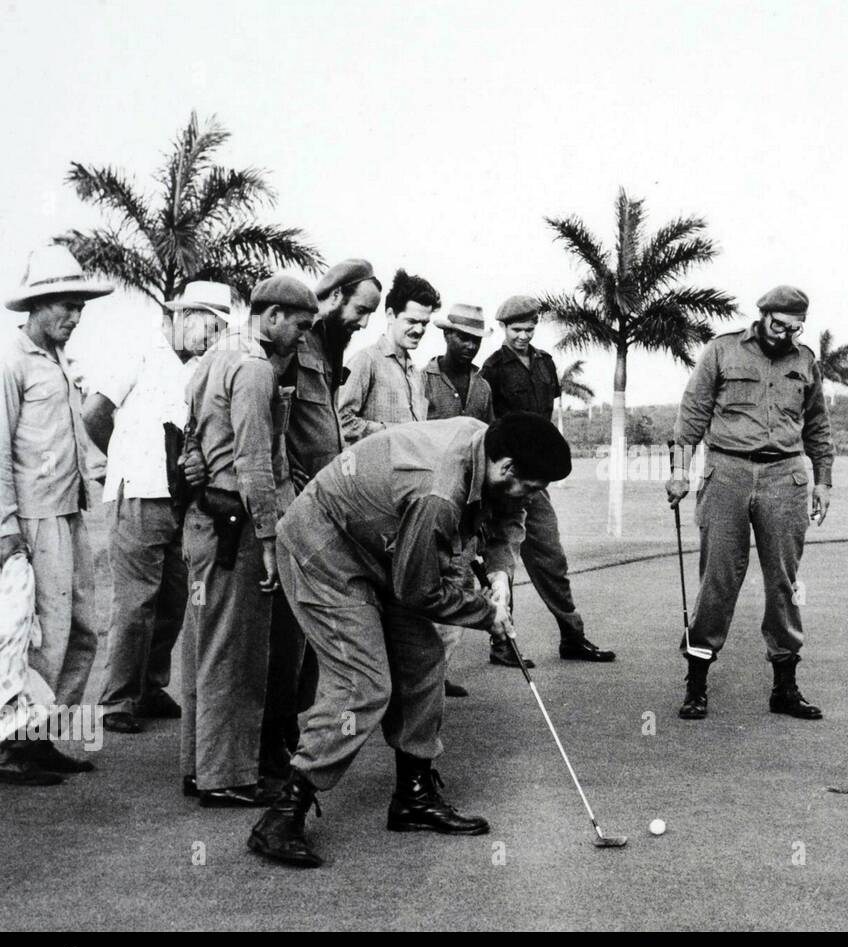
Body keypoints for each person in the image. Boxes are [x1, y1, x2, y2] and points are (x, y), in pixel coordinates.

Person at [247, 413, 569, 869]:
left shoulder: (492, 445)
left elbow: (509, 514)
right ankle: (282, 814)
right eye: (532, 486)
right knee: (364, 684)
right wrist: (486, 615)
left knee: (422, 659)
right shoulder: (438, 491)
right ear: (508, 468)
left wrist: (499, 573)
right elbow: (419, 589)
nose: (533, 497)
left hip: (386, 546)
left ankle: (413, 797)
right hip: (325, 549)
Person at [666, 285, 834, 721]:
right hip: (727, 473)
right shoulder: (721, 351)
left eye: (795, 328)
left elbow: (817, 426)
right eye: (779, 325)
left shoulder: (806, 361)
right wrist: (680, 471)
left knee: (785, 583)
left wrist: (824, 482)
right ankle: (697, 684)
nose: (785, 335)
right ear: (761, 316)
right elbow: (691, 417)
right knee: (718, 580)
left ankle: (785, 688)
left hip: (786, 476)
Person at [180, 274, 314, 808]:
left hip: (207, 516)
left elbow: (190, 436)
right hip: (237, 523)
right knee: (236, 654)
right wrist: (269, 540)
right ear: (273, 315)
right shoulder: (255, 368)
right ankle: (227, 776)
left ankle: (201, 766)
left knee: (206, 648)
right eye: (299, 327)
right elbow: (255, 463)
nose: (302, 338)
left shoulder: (214, 356)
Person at [83, 281, 232, 735]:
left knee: (173, 598)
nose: (213, 338)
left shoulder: (196, 369)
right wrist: (123, 459)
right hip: (139, 492)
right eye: (209, 326)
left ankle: (149, 685)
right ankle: (116, 700)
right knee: (135, 601)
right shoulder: (141, 350)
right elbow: (94, 411)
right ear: (184, 316)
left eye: (221, 330)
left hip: (179, 498)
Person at [261, 259, 381, 782]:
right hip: (295, 508)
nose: (364, 322)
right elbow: (274, 432)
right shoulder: (295, 343)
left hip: (324, 506)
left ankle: (291, 730)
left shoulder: (331, 349)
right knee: (283, 638)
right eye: (361, 310)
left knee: (307, 639)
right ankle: (270, 744)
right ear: (333, 297)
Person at [0, 245, 113, 784]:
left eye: (80, 308)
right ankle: (15, 745)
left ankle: (42, 735)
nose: (73, 317)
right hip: (33, 519)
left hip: (70, 512)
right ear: (37, 304)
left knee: (82, 629)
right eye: (65, 306)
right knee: (39, 636)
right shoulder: (11, 361)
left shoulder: (59, 363)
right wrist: (5, 528)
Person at [479, 295, 615, 666]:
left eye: (528, 329)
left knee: (550, 558)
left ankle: (573, 636)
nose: (522, 336)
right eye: (515, 330)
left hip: (534, 479)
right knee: (503, 559)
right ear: (503, 329)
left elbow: (548, 416)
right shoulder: (491, 369)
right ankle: (503, 644)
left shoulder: (545, 363)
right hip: (506, 477)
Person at [422, 303, 495, 697]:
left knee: (459, 584)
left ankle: (437, 673)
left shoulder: (483, 388)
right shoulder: (424, 380)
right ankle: (419, 673)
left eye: (475, 339)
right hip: (430, 500)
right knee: (423, 586)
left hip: (467, 505)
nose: (468, 345)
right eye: (461, 337)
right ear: (446, 336)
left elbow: (489, 442)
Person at [337, 268, 437, 443]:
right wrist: (393, 432)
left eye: (424, 323)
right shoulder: (366, 360)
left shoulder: (416, 373)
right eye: (412, 321)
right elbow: (342, 420)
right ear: (390, 315)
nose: (419, 330)